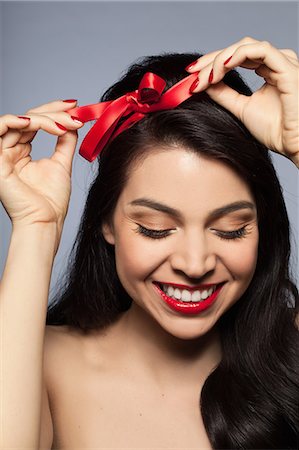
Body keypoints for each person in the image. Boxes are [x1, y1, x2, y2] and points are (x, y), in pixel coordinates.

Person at [0, 36, 298, 449]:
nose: (195, 265)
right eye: (156, 228)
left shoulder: (290, 352)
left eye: (230, 229)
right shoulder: (42, 363)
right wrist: (36, 225)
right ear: (106, 220)